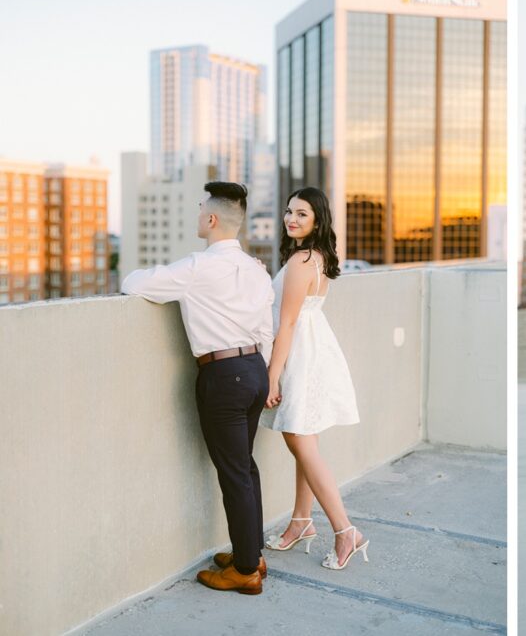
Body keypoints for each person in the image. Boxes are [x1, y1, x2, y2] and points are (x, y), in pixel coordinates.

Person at [122, 181, 273, 595]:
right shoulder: (256, 270)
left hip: (224, 376)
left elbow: (135, 283)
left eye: (199, 209)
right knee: (246, 466)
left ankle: (245, 570)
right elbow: (265, 329)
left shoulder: (197, 267)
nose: (197, 215)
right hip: (256, 368)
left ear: (210, 219)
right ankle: (252, 552)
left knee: (235, 473)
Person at [259, 187, 367, 571]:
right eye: (289, 211)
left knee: (302, 445)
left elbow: (286, 323)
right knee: (306, 443)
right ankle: (301, 522)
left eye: (302, 214)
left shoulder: (301, 261)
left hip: (298, 358)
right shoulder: (317, 257)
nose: (292, 218)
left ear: (317, 219)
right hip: (314, 352)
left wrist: (272, 377)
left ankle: (345, 531)